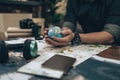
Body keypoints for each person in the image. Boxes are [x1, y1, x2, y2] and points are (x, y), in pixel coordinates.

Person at [44, 0, 120, 46]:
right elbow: (69, 23)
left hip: (114, 48)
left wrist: (75, 37)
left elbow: (110, 35)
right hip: (88, 44)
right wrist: (62, 35)